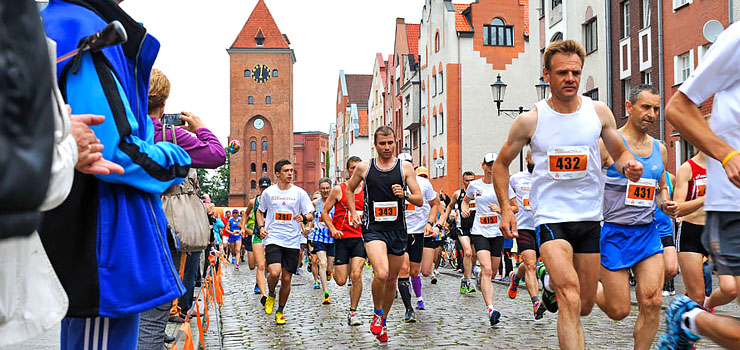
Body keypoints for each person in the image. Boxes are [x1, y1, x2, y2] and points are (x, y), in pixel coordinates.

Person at [40, 1, 193, 348]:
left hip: (96, 233)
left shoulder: (66, 22)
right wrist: (176, 156)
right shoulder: (86, 30)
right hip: (104, 238)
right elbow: (113, 152)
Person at [492, 40, 642, 349]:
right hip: (551, 217)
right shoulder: (531, 120)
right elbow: (501, 164)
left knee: (584, 304)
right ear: (546, 75)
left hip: (589, 218)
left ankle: (548, 286)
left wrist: (629, 165)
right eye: (562, 73)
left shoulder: (598, 112)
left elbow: (619, 151)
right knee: (570, 295)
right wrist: (507, 208)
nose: (570, 78)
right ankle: (555, 284)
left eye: (575, 72)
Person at [658, 21, 740, 349]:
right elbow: (677, 107)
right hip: (731, 206)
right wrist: (726, 154)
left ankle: (691, 318)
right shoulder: (736, 39)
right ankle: (691, 317)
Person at [138, 68, 225, 350]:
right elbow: (216, 154)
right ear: (164, 104)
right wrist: (199, 126)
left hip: (124, 222)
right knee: (153, 316)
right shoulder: (170, 135)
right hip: (165, 225)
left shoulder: (119, 129)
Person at [590, 85, 679, 350]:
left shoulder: (659, 149)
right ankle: (585, 284)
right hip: (613, 234)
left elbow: (661, 188)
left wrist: (666, 203)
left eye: (656, 109)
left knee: (652, 301)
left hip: (647, 233)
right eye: (645, 107)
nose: (652, 114)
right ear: (629, 108)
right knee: (618, 310)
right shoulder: (608, 145)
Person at [345, 126, 423, 342]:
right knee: (380, 273)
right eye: (382, 143)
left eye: (390, 143)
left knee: (391, 280)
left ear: (395, 143)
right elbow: (349, 190)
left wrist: (405, 195)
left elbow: (419, 199)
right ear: (375, 144)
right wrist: (353, 211)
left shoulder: (405, 167)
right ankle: (377, 313)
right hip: (373, 229)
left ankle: (383, 319)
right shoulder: (364, 168)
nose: (387, 147)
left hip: (397, 231)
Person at [256, 160, 314, 325]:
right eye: (286, 171)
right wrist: (261, 227)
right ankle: (271, 293)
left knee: (287, 279)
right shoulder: (268, 193)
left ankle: (280, 311)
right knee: (274, 272)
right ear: (277, 174)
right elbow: (260, 212)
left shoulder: (299, 193)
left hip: (292, 240)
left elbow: (310, 213)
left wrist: (303, 218)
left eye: (291, 170)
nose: (290, 173)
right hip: (273, 237)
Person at [463, 153, 517, 325]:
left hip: (497, 232)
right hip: (479, 231)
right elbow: (465, 201)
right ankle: (491, 309)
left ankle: (478, 273)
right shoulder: (474, 185)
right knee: (487, 269)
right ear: (483, 166)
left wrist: (501, 210)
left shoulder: (504, 185)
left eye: (495, 164)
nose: (491, 168)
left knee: (492, 272)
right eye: (489, 164)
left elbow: (515, 207)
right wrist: (465, 209)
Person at [322, 156, 367, 326]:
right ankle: (334, 268)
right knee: (341, 280)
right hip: (342, 239)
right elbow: (325, 212)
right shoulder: (339, 189)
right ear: (347, 170)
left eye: (358, 167)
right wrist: (333, 229)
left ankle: (353, 312)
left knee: (356, 274)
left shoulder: (368, 189)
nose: (355, 170)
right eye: (352, 168)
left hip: (361, 238)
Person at [506, 149, 547, 320]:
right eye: (533, 159)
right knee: (531, 264)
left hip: (544, 226)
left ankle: (516, 277)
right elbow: (506, 199)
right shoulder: (516, 179)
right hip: (524, 226)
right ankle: (536, 302)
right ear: (527, 159)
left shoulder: (548, 177)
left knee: (532, 263)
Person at [397, 160, 440, 323]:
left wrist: (430, 223)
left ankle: (416, 295)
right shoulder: (390, 181)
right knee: (404, 268)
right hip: (399, 232)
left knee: (416, 271)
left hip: (418, 232)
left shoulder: (423, 183)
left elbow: (434, 204)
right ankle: (409, 309)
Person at [439, 171, 478, 294]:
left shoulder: (479, 193)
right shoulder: (458, 194)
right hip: (462, 227)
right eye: (467, 180)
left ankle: (465, 277)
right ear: (463, 181)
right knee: (467, 252)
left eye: (472, 180)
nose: (469, 183)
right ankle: (469, 280)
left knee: (474, 256)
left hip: (476, 227)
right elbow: (450, 206)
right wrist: (444, 220)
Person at [245, 176, 272, 296]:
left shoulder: (274, 201)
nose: (264, 190)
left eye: (266, 187)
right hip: (257, 234)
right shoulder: (253, 201)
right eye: (262, 187)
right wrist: (242, 228)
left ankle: (267, 284)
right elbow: (246, 214)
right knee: (259, 265)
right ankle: (263, 293)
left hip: (272, 236)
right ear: (259, 188)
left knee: (268, 265)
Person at [311, 178, 336, 304]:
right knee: (322, 262)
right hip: (319, 236)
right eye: (323, 188)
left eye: (327, 188)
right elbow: (310, 216)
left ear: (331, 188)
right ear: (319, 189)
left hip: (332, 237)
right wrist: (307, 227)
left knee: (330, 267)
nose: (325, 190)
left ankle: (328, 273)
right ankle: (326, 293)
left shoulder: (336, 202)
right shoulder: (316, 203)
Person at [659, 171, 679, 296]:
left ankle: (660, 287)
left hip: (665, 227)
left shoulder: (671, 178)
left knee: (671, 269)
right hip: (646, 227)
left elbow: (676, 199)